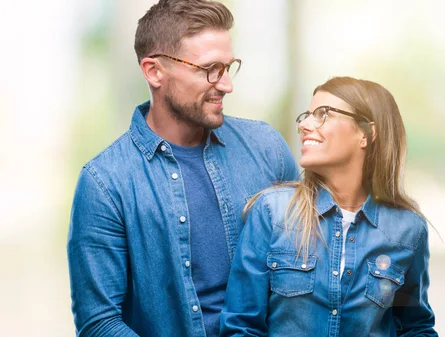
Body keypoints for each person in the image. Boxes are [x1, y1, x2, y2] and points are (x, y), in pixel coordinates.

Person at [66, 1, 298, 336]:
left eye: (228, 68)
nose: (226, 85)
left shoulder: (266, 148)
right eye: (209, 69)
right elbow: (99, 323)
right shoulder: (105, 183)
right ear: (154, 71)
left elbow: (312, 265)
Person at [220, 76, 437, 336]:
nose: (304, 125)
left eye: (323, 114)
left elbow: (415, 328)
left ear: (366, 134)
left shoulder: (408, 231)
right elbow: (241, 326)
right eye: (307, 115)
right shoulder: (272, 213)